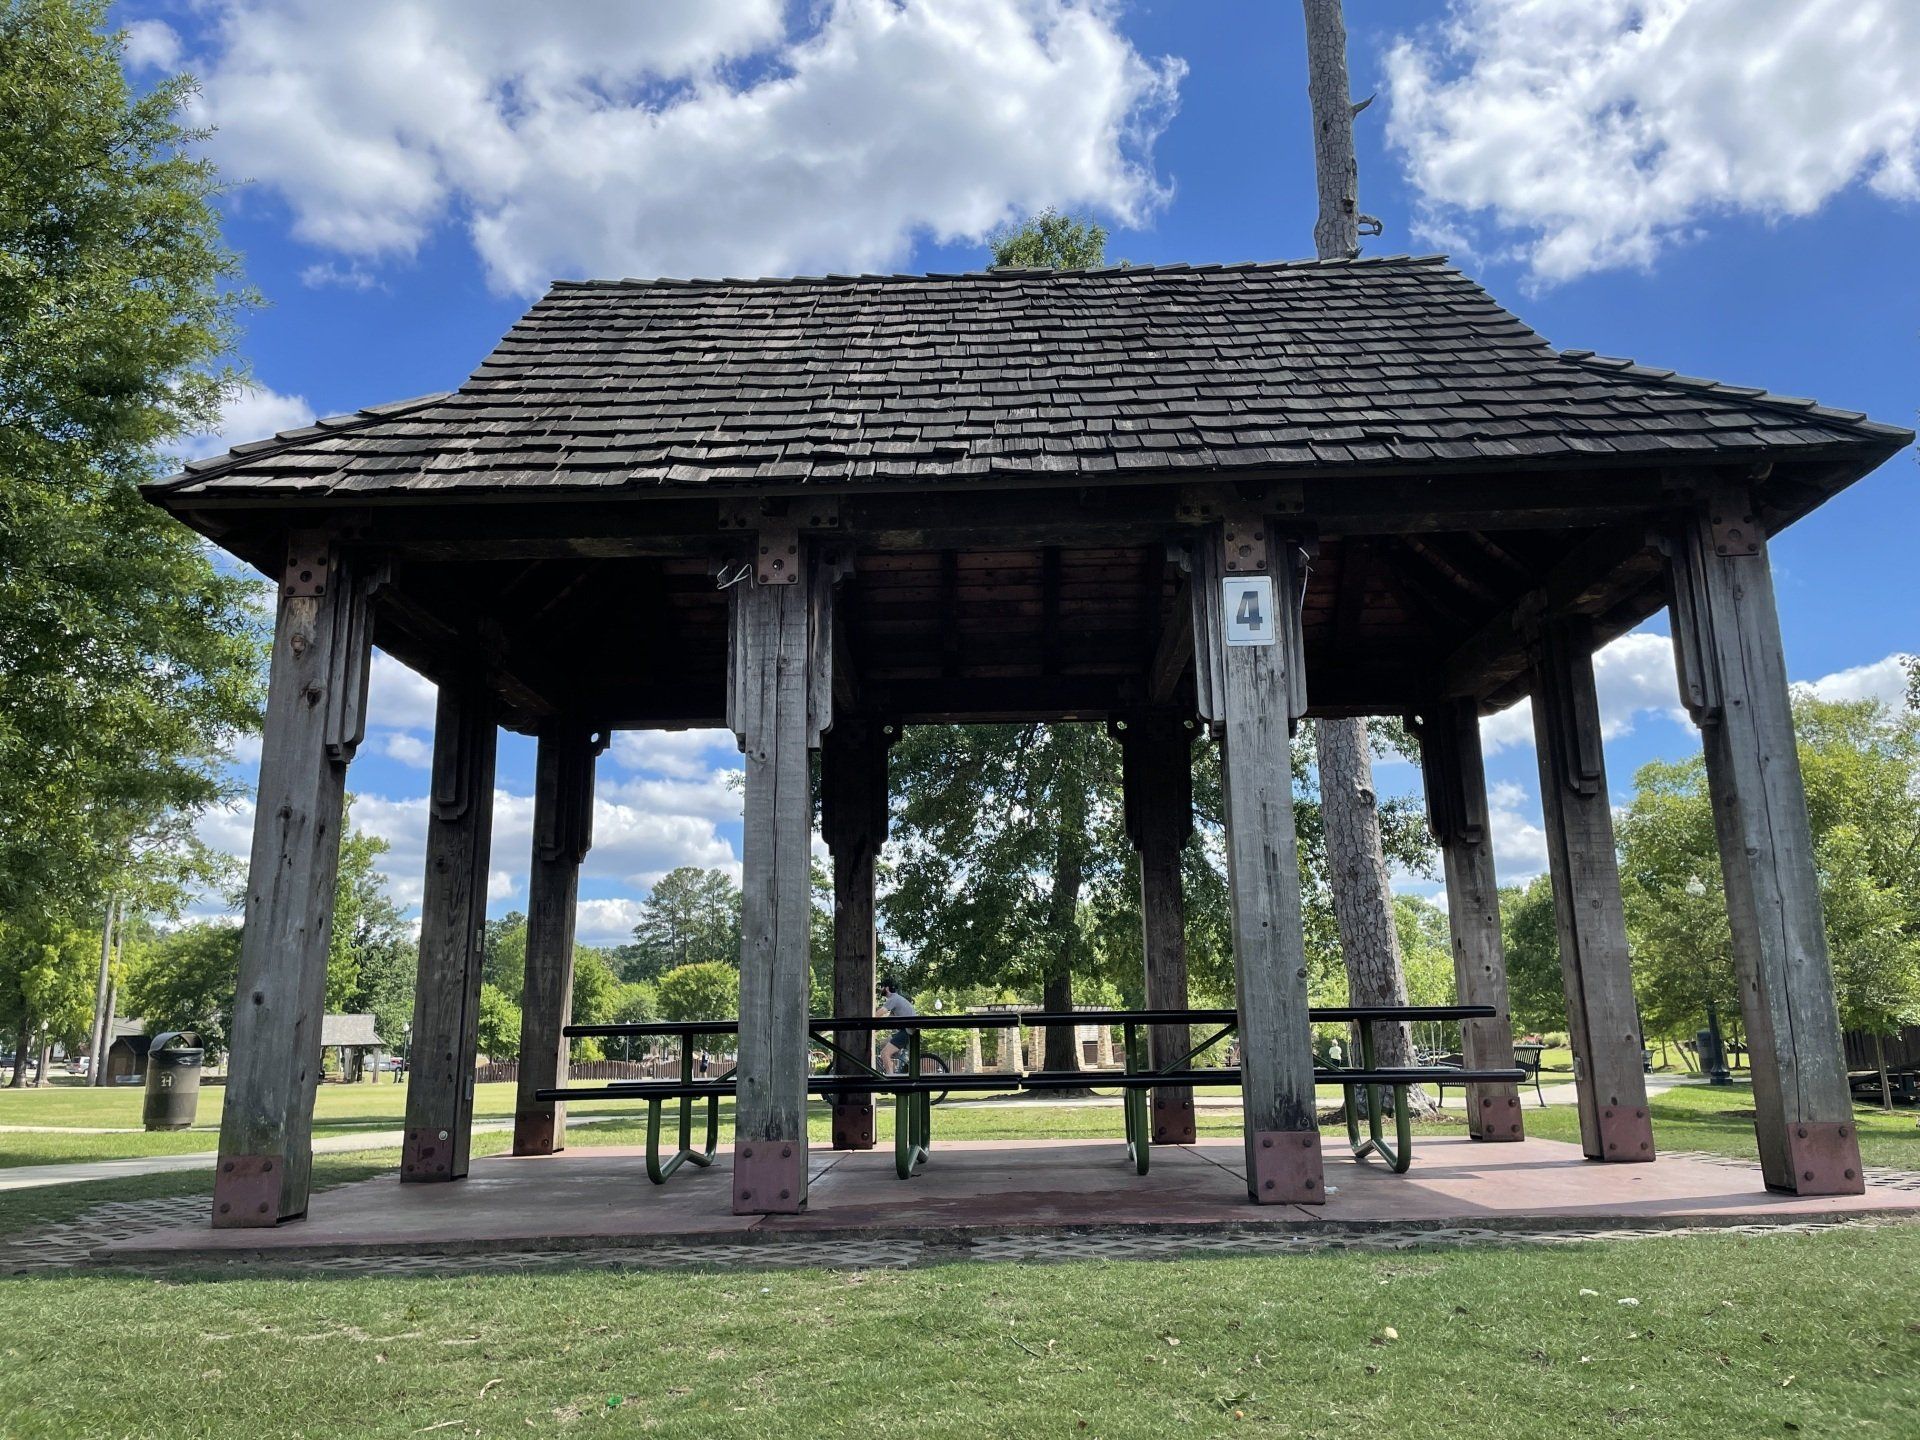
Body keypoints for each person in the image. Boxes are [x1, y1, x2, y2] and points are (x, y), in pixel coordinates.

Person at [876, 981, 918, 1075]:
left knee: (884, 1054)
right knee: (883, 1043)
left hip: (907, 1031)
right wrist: (875, 1030)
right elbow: (888, 1021)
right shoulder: (897, 1000)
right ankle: (893, 1067)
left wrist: (868, 1022)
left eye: (881, 987)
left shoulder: (893, 998)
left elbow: (880, 1013)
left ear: (886, 988)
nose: (880, 990)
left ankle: (890, 1080)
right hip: (908, 1030)